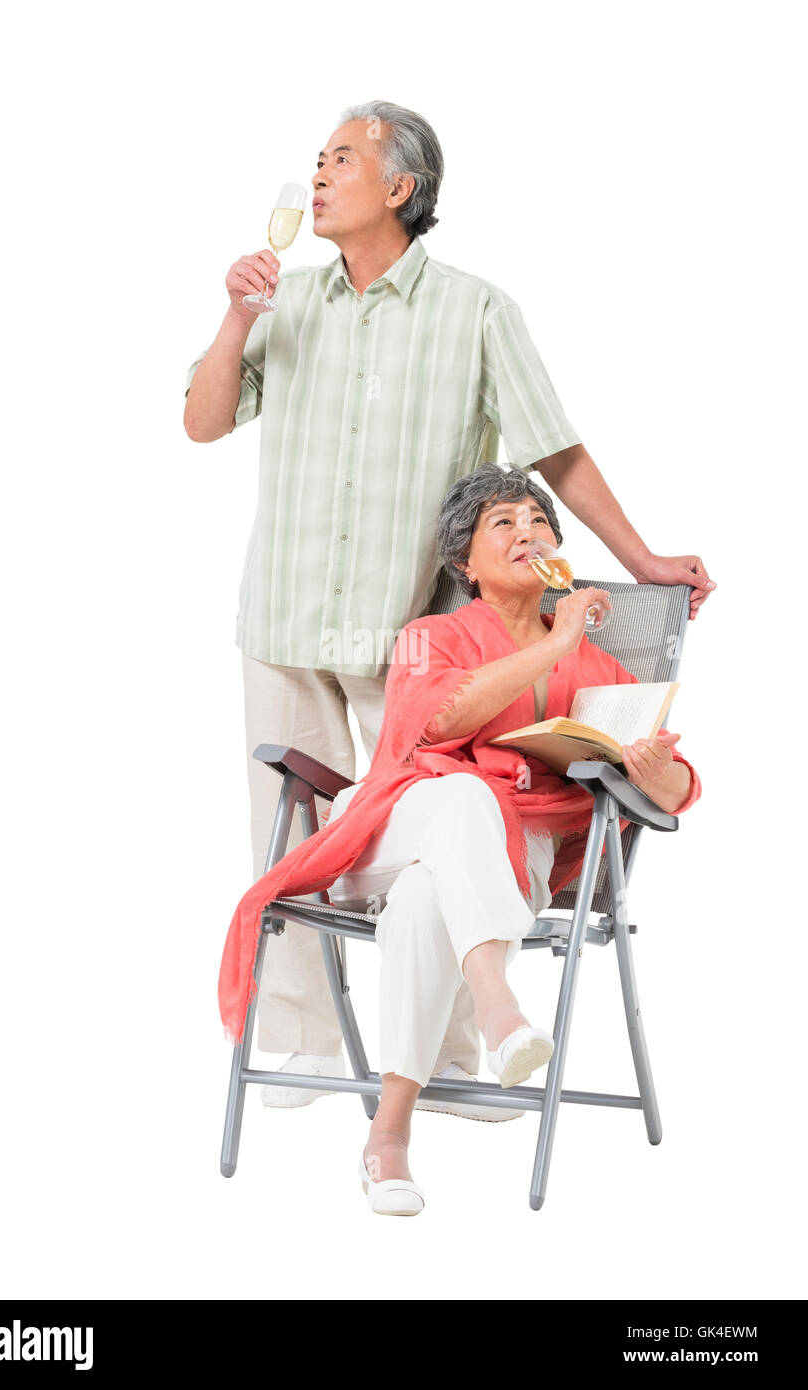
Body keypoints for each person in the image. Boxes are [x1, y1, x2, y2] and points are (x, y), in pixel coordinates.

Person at [186, 99, 714, 1117]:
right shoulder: (283, 301)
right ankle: (297, 1039)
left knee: (439, 823)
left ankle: (458, 1051)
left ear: (400, 188)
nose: (319, 173)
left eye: (342, 158)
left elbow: (551, 447)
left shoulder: (476, 311)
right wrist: (234, 316)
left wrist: (638, 555)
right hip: (284, 618)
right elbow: (203, 421)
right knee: (289, 834)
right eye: (317, 159)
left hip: (410, 637)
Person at [216, 465, 702, 1215]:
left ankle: (388, 1139)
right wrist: (553, 639)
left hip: (512, 859)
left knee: (423, 902)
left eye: (537, 520)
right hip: (391, 827)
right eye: (501, 524)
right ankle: (498, 1003)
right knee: (464, 792)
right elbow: (438, 722)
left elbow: (677, 792)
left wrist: (652, 768)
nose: (525, 531)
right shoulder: (431, 636)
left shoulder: (596, 668)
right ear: (463, 565)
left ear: (555, 548)